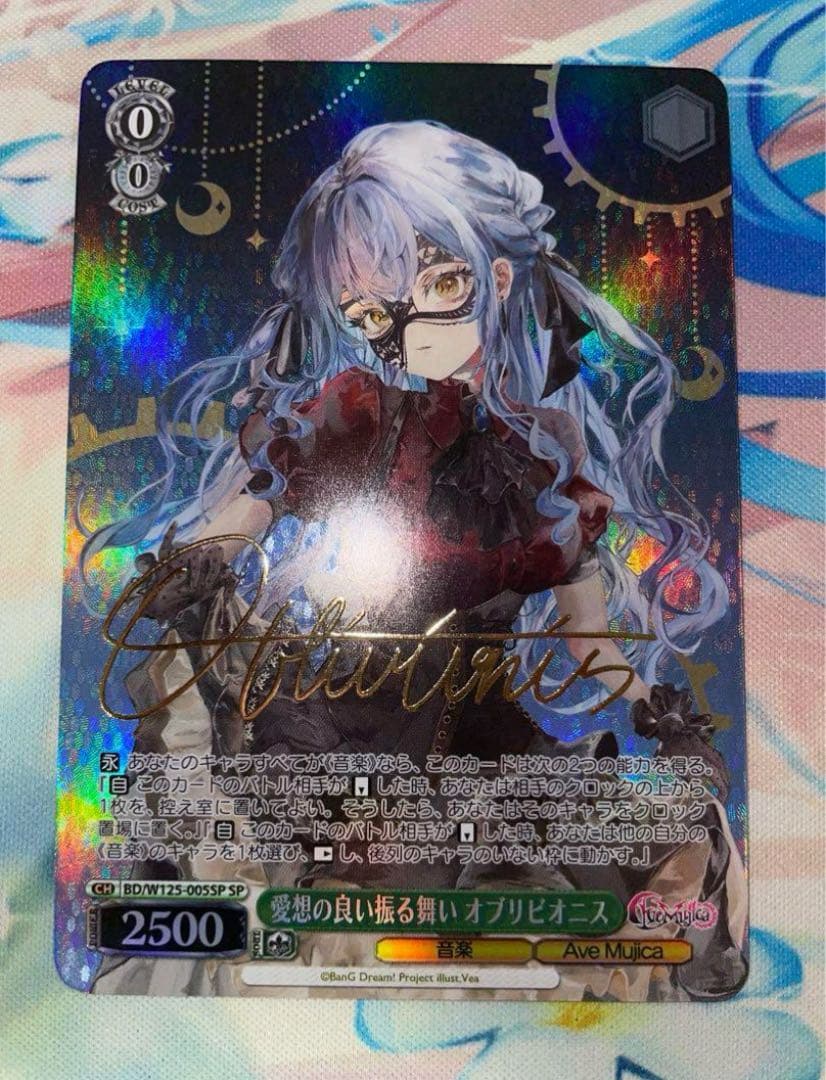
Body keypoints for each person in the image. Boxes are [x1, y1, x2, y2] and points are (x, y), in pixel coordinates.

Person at [87, 121, 746, 1001]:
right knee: (351, 910)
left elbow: (589, 642)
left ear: (496, 278)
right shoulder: (357, 411)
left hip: (485, 742)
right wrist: (195, 566)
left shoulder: (547, 453)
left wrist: (659, 716)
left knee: (653, 848)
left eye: (438, 284)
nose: (402, 332)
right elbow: (243, 513)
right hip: (337, 730)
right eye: (368, 314)